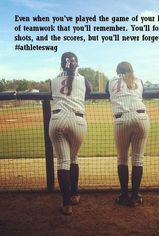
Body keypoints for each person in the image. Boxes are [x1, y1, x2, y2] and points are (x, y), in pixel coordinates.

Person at [49, 52, 91, 215]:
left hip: (57, 119)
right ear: (76, 64)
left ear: (62, 64)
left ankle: (66, 204)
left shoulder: (52, 80)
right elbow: (88, 93)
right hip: (78, 121)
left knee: (62, 162)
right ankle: (74, 194)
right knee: (73, 159)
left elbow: (53, 94)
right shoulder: (84, 80)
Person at [106, 61, 150, 207]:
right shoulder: (139, 80)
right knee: (138, 160)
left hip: (122, 119)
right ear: (131, 70)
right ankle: (135, 196)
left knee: (122, 159)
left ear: (117, 71)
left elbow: (110, 92)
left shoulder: (110, 81)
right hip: (141, 118)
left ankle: (124, 195)